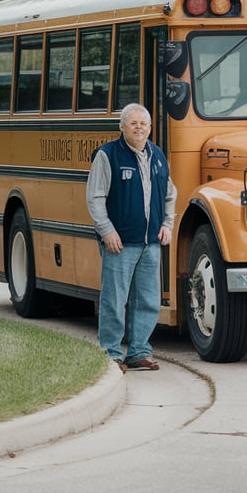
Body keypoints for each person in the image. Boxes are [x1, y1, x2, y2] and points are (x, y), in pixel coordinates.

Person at [86, 103, 177, 372]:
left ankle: (138, 352)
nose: (139, 127)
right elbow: (95, 197)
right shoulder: (108, 155)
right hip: (120, 242)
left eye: (143, 123)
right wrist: (107, 231)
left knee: (147, 299)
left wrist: (167, 224)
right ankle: (111, 353)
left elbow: (171, 193)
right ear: (122, 127)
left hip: (150, 242)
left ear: (150, 128)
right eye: (133, 123)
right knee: (115, 299)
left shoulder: (158, 156)